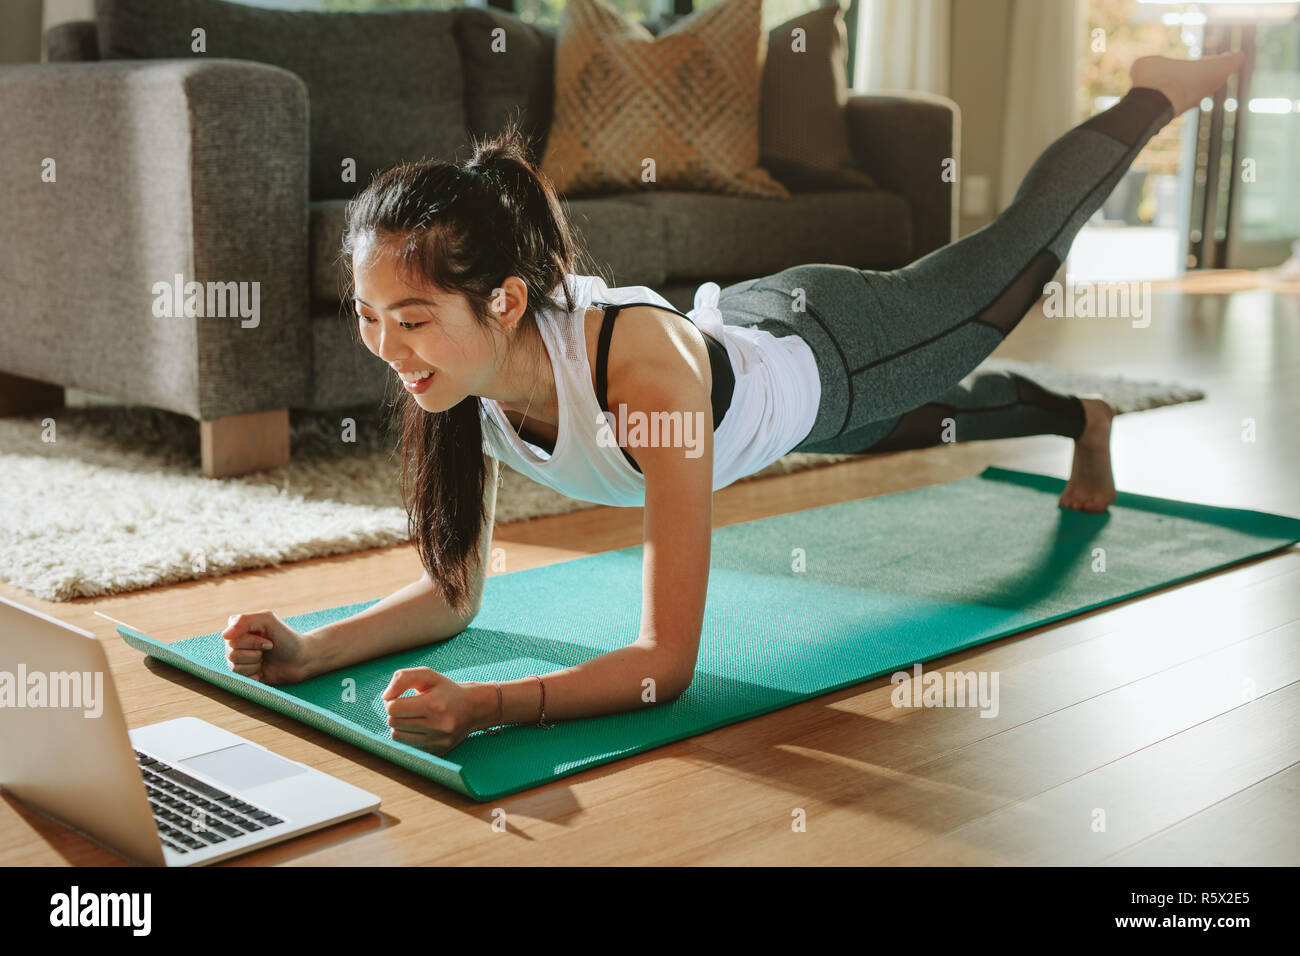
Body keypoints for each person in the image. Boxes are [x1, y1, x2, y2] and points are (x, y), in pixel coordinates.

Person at [222, 51, 1246, 755]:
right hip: (774, 373)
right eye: (366, 317)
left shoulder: (639, 374)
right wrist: (313, 647)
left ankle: (1149, 96)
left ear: (504, 300)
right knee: (942, 415)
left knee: (1009, 267)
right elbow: (455, 593)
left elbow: (664, 663)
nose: (386, 348)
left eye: (408, 317)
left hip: (837, 345)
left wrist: (490, 706)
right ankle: (1083, 420)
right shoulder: (454, 369)